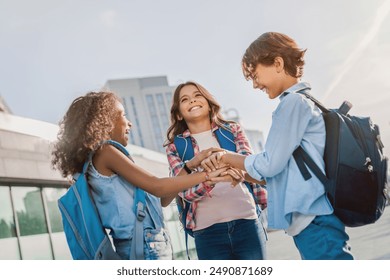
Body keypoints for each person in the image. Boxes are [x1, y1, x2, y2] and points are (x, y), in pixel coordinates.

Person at [201, 32, 354, 260]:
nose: (254, 85)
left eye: (255, 75)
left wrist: (225, 156)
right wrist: (241, 174)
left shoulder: (293, 103)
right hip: (314, 219)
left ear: (278, 63)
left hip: (314, 219)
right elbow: (280, 173)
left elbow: (270, 164)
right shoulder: (302, 102)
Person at [51, 91, 228, 260]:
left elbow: (162, 199)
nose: (129, 123)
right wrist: (208, 174)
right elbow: (158, 187)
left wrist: (190, 166)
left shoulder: (103, 159)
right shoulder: (106, 152)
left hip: (146, 245)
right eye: (122, 115)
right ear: (103, 120)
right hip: (143, 248)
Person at [164, 81, 267, 260]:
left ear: (209, 102)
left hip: (247, 222)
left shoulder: (233, 130)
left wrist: (208, 176)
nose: (192, 101)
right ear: (179, 114)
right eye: (185, 99)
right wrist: (211, 179)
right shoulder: (174, 147)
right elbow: (184, 192)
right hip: (207, 232)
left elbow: (250, 168)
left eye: (197, 95)